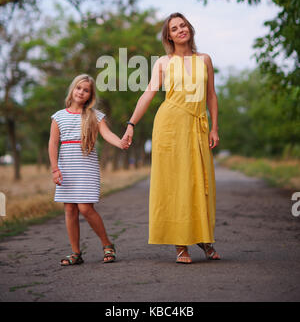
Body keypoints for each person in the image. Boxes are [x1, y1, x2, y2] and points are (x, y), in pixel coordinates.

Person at [122, 13, 220, 263]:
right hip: (169, 126)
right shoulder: (163, 63)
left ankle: (205, 239)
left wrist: (214, 128)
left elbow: (211, 96)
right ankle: (180, 245)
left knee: (201, 182)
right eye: (174, 28)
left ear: (189, 28)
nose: (180, 30)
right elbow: (148, 93)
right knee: (176, 185)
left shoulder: (205, 59)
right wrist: (131, 123)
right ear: (169, 36)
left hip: (197, 126)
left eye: (183, 25)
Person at [49, 74, 128, 266]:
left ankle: (107, 244)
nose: (81, 92)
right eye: (79, 88)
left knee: (85, 207)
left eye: (86, 90)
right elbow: (52, 143)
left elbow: (107, 134)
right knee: (69, 209)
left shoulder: (94, 116)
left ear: (90, 96)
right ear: (73, 89)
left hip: (86, 166)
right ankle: (76, 253)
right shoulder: (59, 116)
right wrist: (55, 169)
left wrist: (121, 142)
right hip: (67, 168)